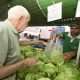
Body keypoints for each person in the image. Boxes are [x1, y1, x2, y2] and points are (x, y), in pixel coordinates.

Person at [0, 5, 37, 80]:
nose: (27, 26)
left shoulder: (12, 31)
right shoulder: (2, 31)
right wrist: (24, 63)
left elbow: (17, 44)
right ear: (20, 19)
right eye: (27, 22)